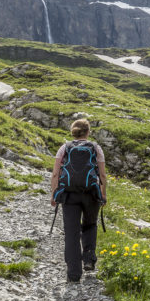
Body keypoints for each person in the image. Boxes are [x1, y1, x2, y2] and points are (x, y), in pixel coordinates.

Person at [50, 118, 107, 283]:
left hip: (69, 194)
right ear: (88, 132)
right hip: (91, 193)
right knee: (90, 224)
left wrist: (54, 194)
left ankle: (73, 274)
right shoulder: (95, 148)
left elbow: (55, 173)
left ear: (73, 132)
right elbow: (102, 175)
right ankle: (88, 259)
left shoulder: (64, 148)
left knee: (71, 232)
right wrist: (103, 194)